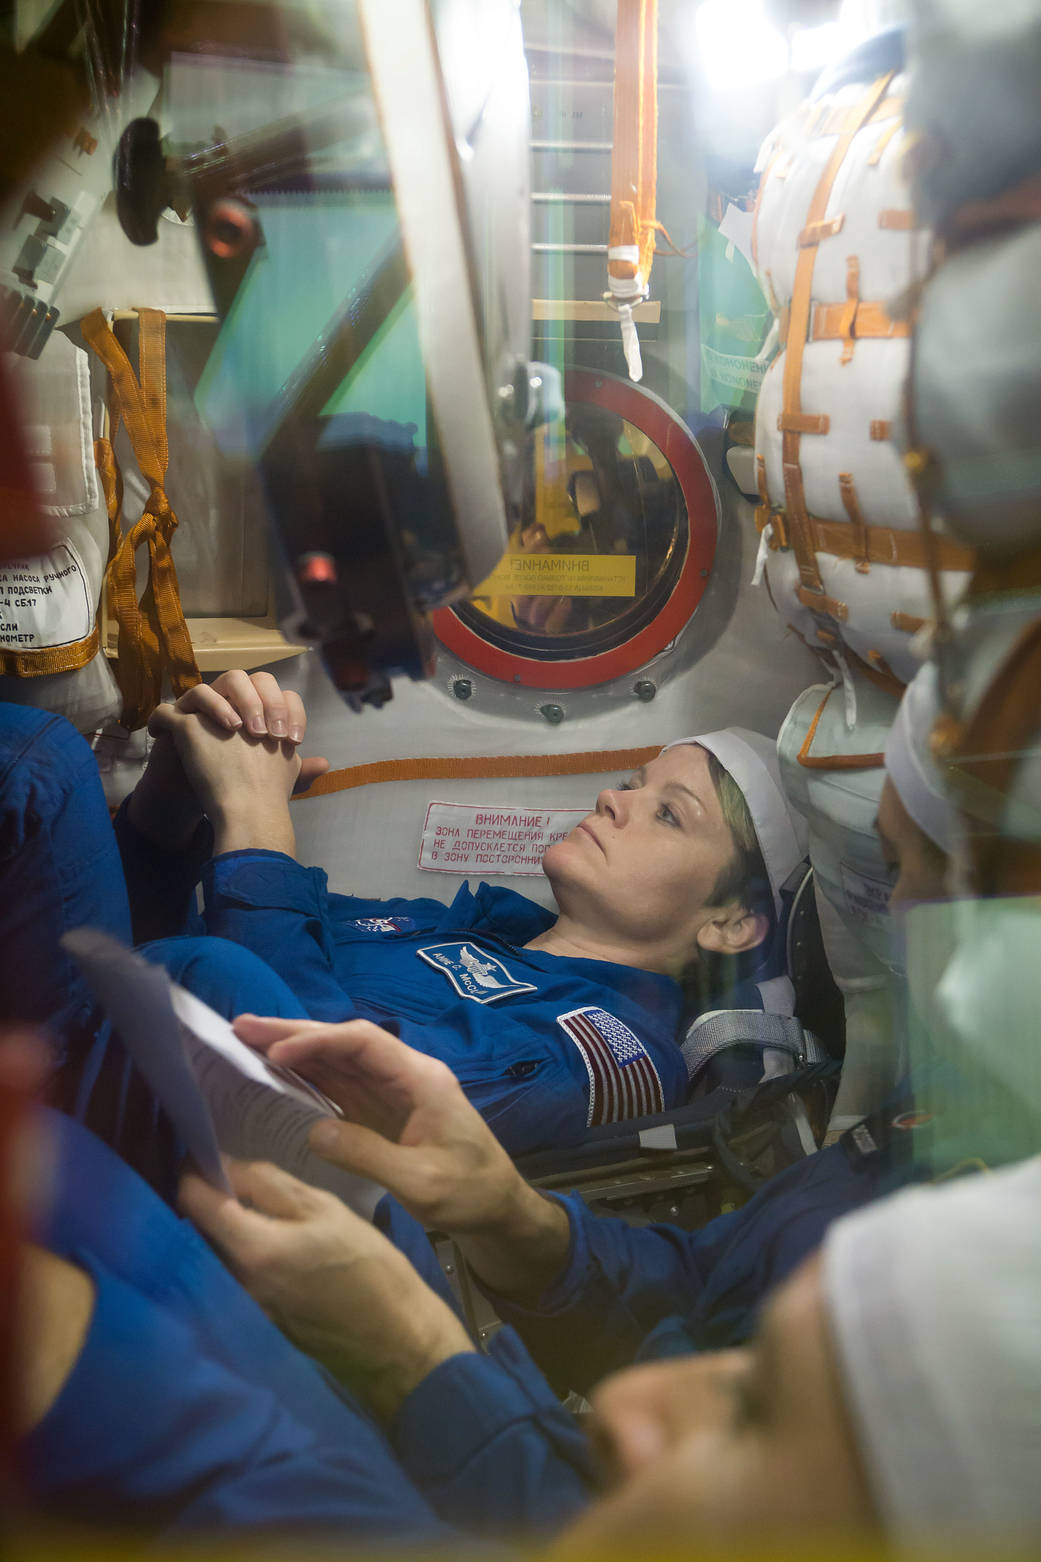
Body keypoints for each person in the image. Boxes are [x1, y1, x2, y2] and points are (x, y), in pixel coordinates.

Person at [109, 667, 807, 1156]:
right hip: (125, 1047)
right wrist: (167, 811)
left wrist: (257, 819)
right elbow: (205, 924)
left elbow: (323, 1102)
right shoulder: (464, 928)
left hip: (176, 1137)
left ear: (729, 924)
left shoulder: (603, 1053)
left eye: (666, 815)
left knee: (47, 773)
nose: (611, 799)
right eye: (632, 782)